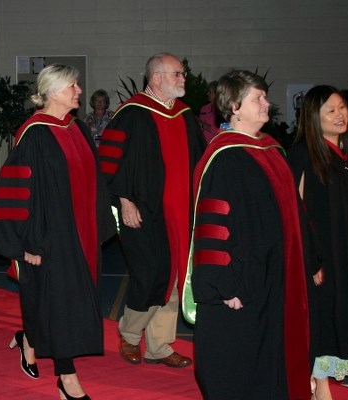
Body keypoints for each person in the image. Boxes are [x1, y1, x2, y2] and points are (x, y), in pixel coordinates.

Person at [181, 69, 311, 399]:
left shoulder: (271, 149)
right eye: (259, 98)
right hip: (243, 283)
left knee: (272, 356)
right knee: (240, 362)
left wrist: (312, 260)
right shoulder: (224, 158)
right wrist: (224, 286)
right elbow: (212, 227)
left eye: (265, 97)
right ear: (235, 106)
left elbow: (296, 214)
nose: (267, 103)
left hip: (275, 278)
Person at [0, 64, 115, 400]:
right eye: (73, 86)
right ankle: (66, 377)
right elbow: (17, 192)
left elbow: (95, 181)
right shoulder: (35, 134)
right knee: (61, 304)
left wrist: (101, 223)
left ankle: (29, 336)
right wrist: (24, 243)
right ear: (53, 90)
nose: (79, 91)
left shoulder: (77, 129)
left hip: (81, 234)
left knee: (70, 300)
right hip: (49, 237)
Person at [97, 52, 202, 369]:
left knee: (173, 278)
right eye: (177, 74)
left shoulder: (184, 115)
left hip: (181, 212)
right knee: (149, 274)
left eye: (182, 74)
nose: (183, 79)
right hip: (142, 211)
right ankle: (130, 336)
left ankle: (159, 345)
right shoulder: (131, 114)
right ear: (155, 78)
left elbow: (199, 161)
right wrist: (124, 200)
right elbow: (110, 161)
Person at [287, 85, 348, 400]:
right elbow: (295, 212)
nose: (340, 115)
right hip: (323, 257)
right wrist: (310, 261)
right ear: (313, 117)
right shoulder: (303, 155)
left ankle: (319, 382)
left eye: (342, 108)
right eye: (331, 110)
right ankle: (317, 386)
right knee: (323, 319)